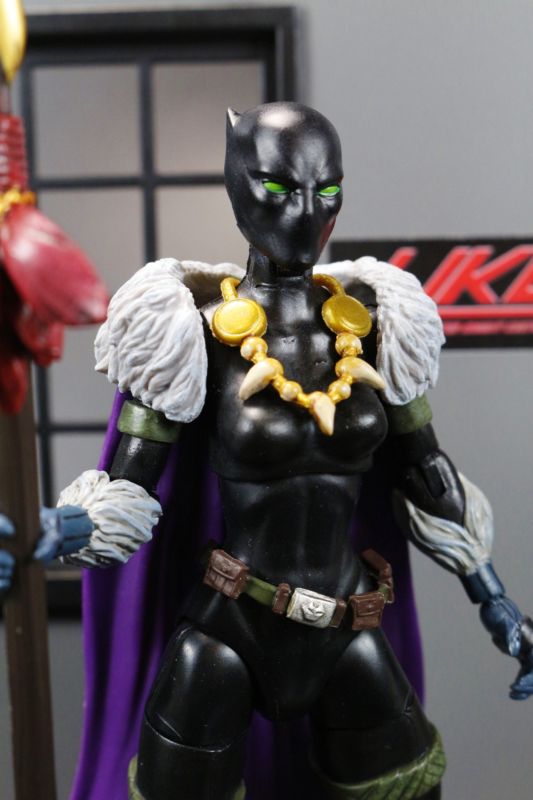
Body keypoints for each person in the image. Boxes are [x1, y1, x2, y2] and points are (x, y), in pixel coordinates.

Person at [55, 103, 532, 800]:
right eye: (280, 188)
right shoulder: (187, 331)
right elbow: (128, 487)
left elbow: (426, 474)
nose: (307, 211)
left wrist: (494, 599)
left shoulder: (377, 325)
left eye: (327, 189)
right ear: (237, 186)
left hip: (348, 624)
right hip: (228, 630)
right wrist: (55, 531)